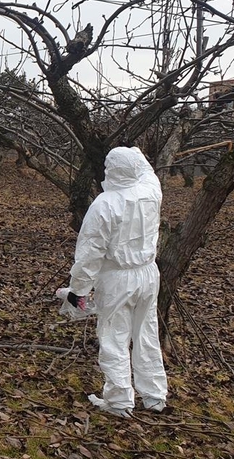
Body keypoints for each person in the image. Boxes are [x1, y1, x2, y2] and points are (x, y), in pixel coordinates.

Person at [65, 146, 168, 417]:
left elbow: (89, 254)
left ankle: (120, 401)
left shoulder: (104, 204)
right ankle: (154, 396)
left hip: (117, 279)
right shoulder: (151, 190)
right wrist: (135, 151)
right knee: (146, 333)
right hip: (148, 274)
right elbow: (147, 170)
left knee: (114, 336)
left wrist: (78, 291)